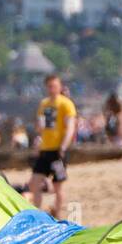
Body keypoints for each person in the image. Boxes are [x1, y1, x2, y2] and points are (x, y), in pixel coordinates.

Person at [29, 74, 76, 218]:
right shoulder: (44, 104)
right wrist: (39, 129)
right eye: (49, 86)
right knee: (34, 183)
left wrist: (63, 146)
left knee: (58, 185)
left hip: (57, 150)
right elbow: (39, 127)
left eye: (54, 86)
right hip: (45, 149)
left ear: (60, 87)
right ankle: (37, 213)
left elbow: (70, 127)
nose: (52, 89)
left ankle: (57, 213)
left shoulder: (65, 104)